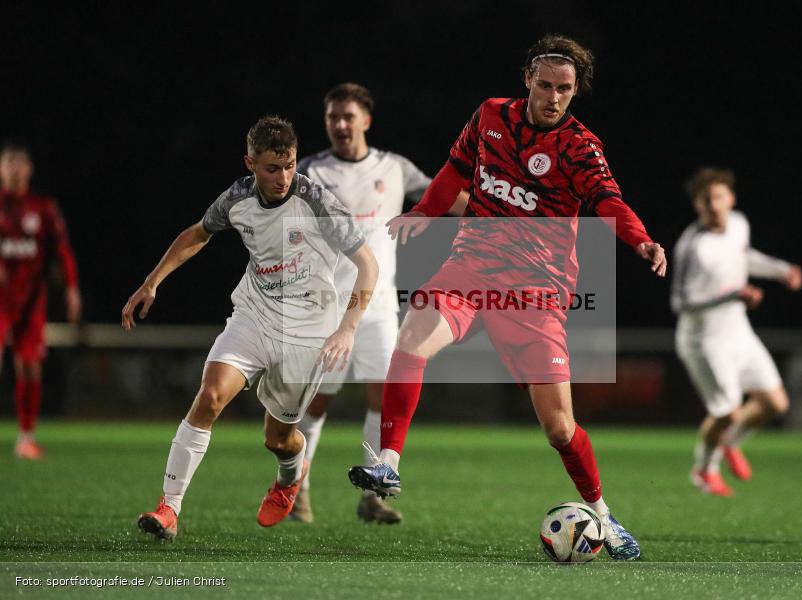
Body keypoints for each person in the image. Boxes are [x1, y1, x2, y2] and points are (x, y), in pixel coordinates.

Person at [347, 34, 667, 561]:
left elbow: (608, 200)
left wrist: (640, 239)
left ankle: (605, 518)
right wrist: (426, 212)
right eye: (545, 85)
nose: (554, 96)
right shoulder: (490, 116)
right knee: (412, 335)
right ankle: (389, 463)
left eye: (564, 88)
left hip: (537, 291)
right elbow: (455, 168)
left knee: (560, 428)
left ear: (575, 90)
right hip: (472, 265)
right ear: (527, 81)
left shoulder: (581, 147)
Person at [122, 116, 378, 540]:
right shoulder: (237, 198)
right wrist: (152, 282)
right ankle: (169, 508)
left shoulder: (317, 201)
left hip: (308, 330)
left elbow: (367, 264)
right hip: (255, 313)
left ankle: (290, 476)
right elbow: (198, 234)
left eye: (290, 166)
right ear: (250, 164)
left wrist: (348, 328)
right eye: (272, 168)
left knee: (279, 439)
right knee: (210, 395)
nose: (283, 177)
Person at [289, 83, 466, 525]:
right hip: (327, 308)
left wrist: (492, 213)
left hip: (380, 307)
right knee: (315, 404)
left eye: (348, 116)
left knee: (382, 399)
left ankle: (371, 496)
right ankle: (296, 492)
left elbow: (441, 195)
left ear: (366, 120)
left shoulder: (393, 167)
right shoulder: (310, 172)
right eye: (333, 117)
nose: (341, 125)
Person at [671, 167, 802, 497]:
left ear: (730, 199)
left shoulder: (739, 224)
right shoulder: (692, 246)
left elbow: (744, 257)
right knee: (726, 411)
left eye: (718, 197)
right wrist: (733, 294)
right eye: (705, 201)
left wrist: (780, 270)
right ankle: (703, 470)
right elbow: (680, 302)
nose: (713, 205)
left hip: (738, 331)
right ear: (696, 206)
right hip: (703, 341)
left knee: (775, 403)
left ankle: (729, 444)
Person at [0, 140, 81, 460]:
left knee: (30, 368)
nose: (15, 169)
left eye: (20, 163)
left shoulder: (42, 208)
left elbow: (63, 251)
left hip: (32, 301)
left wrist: (72, 288)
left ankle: (26, 437)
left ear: (29, 169)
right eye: (8, 162)